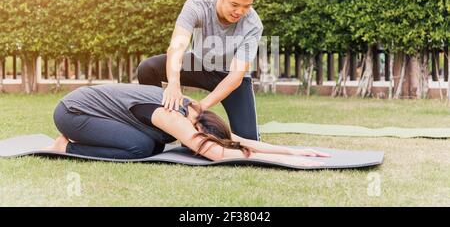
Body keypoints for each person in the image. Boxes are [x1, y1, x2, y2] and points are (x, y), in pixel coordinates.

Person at [43, 83, 330, 167]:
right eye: (201, 140)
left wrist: (291, 151)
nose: (197, 145)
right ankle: (66, 145)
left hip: (95, 111)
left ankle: (73, 141)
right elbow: (216, 152)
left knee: (153, 143)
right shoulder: (174, 115)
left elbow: (232, 140)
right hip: (74, 112)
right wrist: (269, 159)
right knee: (140, 148)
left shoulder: (195, 110)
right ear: (199, 129)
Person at [137, 0, 263, 141]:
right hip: (199, 65)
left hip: (230, 76)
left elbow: (236, 76)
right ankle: (159, 127)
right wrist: (173, 84)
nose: (240, 12)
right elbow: (177, 47)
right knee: (147, 68)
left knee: (248, 141)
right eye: (234, 4)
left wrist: (202, 106)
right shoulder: (197, 5)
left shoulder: (253, 24)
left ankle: (242, 132)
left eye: (247, 6)